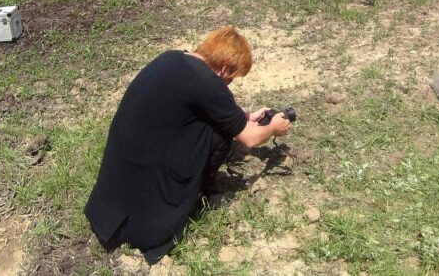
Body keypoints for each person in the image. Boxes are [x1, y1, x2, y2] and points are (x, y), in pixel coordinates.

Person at [84, 26, 291, 264]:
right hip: (144, 223)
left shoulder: (172, 59)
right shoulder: (208, 83)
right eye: (232, 78)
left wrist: (244, 117)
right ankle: (195, 199)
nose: (230, 84)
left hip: (111, 196)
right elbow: (250, 139)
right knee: (220, 132)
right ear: (224, 69)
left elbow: (193, 110)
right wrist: (274, 128)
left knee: (215, 124)